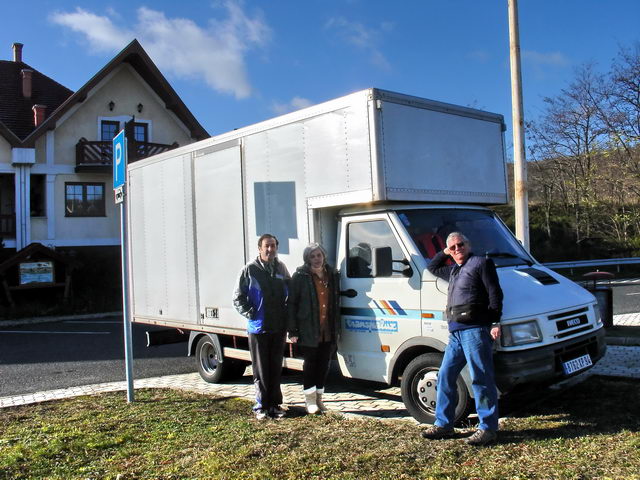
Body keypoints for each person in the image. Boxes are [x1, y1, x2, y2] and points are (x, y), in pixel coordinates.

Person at [422, 232, 503, 446]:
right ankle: (444, 424)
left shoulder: (481, 263)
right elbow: (432, 268)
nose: (457, 249)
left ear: (469, 244)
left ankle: (488, 428)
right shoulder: (454, 270)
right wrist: (444, 252)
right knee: (445, 376)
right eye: (453, 247)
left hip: (475, 331)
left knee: (481, 378)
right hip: (456, 334)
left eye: (460, 244)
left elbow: (495, 293)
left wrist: (495, 322)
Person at [233, 234, 290, 420]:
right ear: (259, 248)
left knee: (275, 368)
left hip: (278, 327)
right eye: (267, 246)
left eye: (273, 246)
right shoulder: (249, 270)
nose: (270, 250)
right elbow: (237, 297)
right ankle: (261, 406)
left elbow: (289, 291)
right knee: (260, 369)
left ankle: (275, 405)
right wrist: (251, 313)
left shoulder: (281, 268)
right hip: (259, 328)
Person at [288, 243, 340, 414]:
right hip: (308, 329)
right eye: (312, 256)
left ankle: (319, 399)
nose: (317, 259)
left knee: (324, 365)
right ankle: (309, 401)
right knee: (310, 365)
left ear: (324, 256)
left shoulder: (332, 275)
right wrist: (293, 330)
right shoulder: (300, 276)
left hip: (328, 329)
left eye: (319, 255)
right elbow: (292, 304)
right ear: (307, 259)